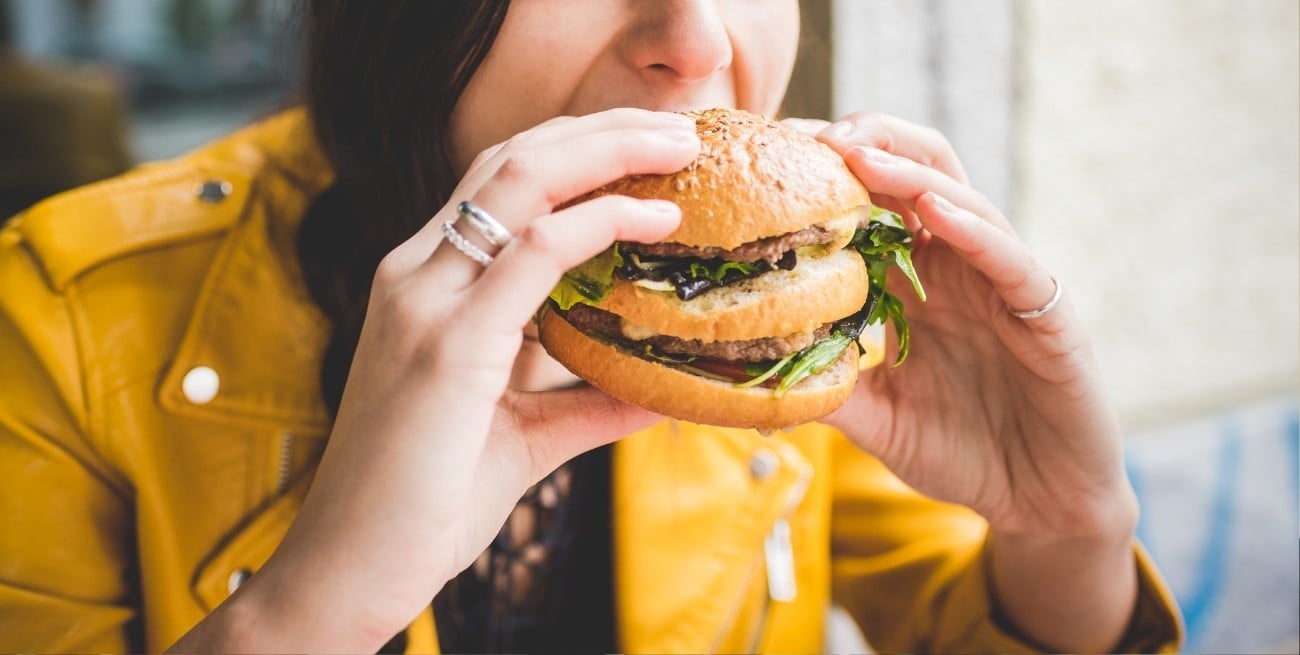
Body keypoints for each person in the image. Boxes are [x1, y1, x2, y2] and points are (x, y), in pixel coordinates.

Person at [0, 2, 1182, 653]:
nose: (700, 40)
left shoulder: (789, 330)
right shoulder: (55, 313)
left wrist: (1065, 526)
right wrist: (312, 611)